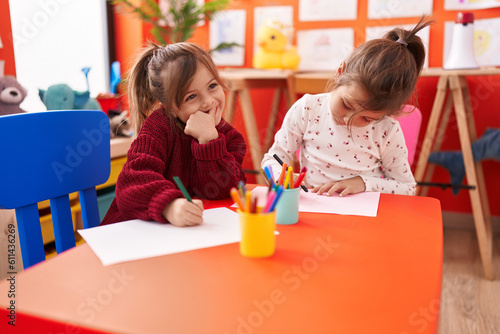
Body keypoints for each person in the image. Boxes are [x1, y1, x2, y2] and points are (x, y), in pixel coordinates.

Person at [262, 17, 433, 197]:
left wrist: (363, 183)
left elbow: (406, 187)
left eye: (367, 118)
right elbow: (272, 160)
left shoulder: (387, 130)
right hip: (315, 208)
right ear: (340, 72)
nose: (348, 119)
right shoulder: (308, 109)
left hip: (363, 214)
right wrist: (279, 177)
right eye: (347, 104)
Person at [101, 42, 246, 227]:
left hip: (185, 238)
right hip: (131, 235)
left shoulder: (231, 139)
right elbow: (130, 184)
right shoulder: (160, 126)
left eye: (212, 86)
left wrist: (209, 141)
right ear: (170, 107)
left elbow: (223, 191)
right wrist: (169, 206)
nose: (209, 101)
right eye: (191, 97)